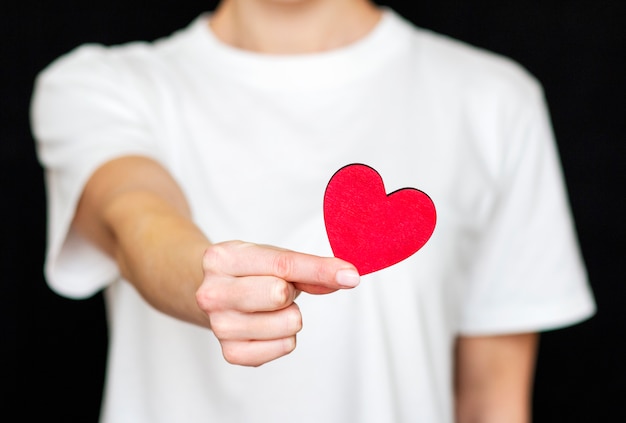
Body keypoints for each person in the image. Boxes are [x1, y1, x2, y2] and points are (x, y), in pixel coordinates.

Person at [30, 0, 596, 422]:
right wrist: (207, 279)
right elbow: (135, 215)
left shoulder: (494, 100)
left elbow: (492, 402)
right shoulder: (99, 85)